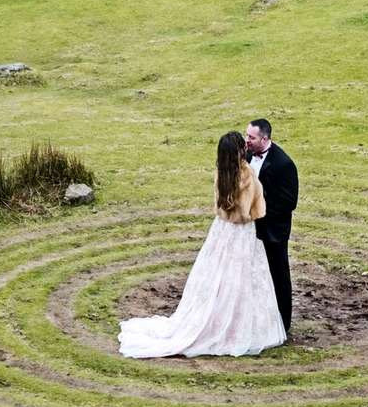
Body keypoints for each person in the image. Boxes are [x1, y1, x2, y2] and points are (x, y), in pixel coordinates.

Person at [117, 132, 288, 358]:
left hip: (221, 230)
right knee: (241, 277)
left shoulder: (221, 174)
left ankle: (215, 315)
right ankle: (237, 324)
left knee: (217, 274)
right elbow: (255, 211)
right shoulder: (248, 176)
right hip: (242, 233)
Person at [245, 118, 298, 334]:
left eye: (251, 137)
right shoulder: (247, 155)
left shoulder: (283, 164)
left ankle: (282, 323)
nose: (246, 140)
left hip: (273, 231)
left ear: (264, 139)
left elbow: (288, 202)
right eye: (246, 135)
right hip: (250, 229)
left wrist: (258, 211)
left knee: (278, 275)